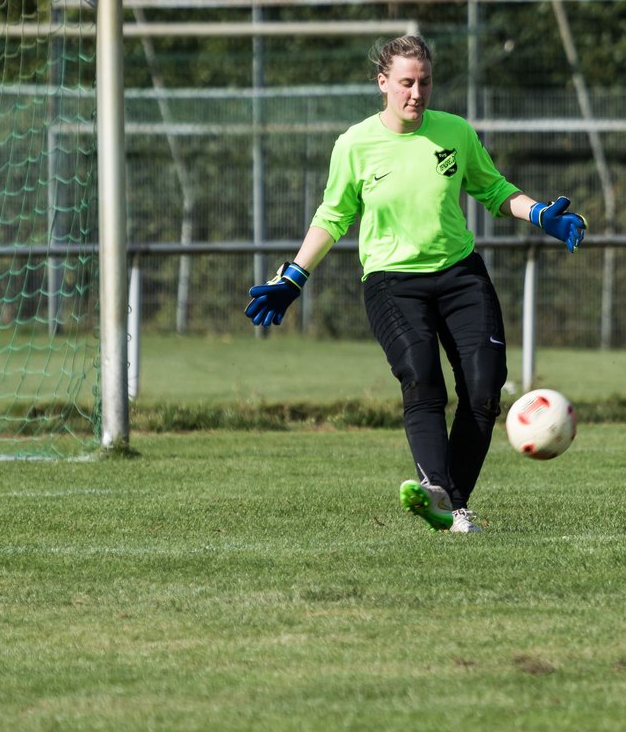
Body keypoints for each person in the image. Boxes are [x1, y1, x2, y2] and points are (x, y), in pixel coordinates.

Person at [244, 35, 586, 533]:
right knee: (421, 374)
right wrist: (294, 276)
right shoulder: (354, 145)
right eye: (406, 82)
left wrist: (538, 213)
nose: (416, 93)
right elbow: (333, 216)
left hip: (461, 274)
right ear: (383, 83)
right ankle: (435, 489)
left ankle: (451, 503)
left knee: (485, 385)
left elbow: (492, 188)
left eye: (424, 82)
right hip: (392, 282)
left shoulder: (455, 132)